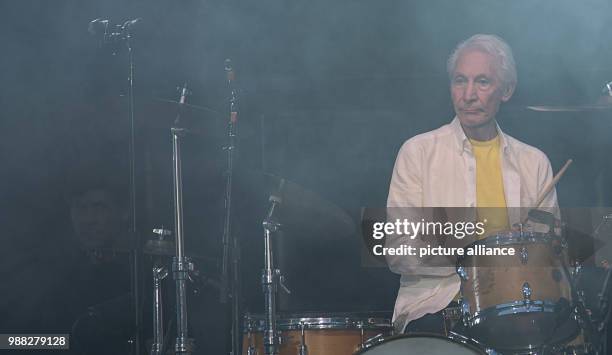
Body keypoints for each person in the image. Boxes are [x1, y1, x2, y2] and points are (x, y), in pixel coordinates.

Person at [385, 34, 559, 334]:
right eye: (459, 81)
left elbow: (555, 253)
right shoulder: (418, 152)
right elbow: (398, 250)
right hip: (435, 309)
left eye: (482, 82)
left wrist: (527, 249)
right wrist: (478, 252)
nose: (468, 95)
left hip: (515, 310)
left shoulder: (534, 162)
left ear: (506, 90)